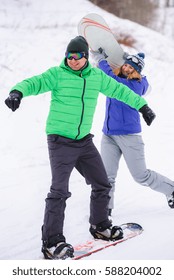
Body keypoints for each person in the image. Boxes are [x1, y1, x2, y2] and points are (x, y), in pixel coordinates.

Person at [5, 36, 155, 260]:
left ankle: (100, 225)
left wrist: (143, 107)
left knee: (102, 183)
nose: (72, 60)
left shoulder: (97, 77)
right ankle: (52, 242)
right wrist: (17, 92)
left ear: (85, 57)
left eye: (77, 56)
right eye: (69, 56)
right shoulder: (57, 74)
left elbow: (120, 91)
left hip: (84, 141)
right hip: (60, 141)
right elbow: (34, 82)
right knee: (59, 191)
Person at [91, 49, 174, 216]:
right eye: (126, 65)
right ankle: (105, 211)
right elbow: (110, 77)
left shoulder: (135, 85)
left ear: (137, 72)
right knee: (107, 176)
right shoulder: (119, 78)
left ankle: (171, 190)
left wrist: (101, 60)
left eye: (132, 68)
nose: (127, 69)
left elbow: (112, 80)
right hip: (108, 135)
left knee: (141, 176)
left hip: (129, 137)